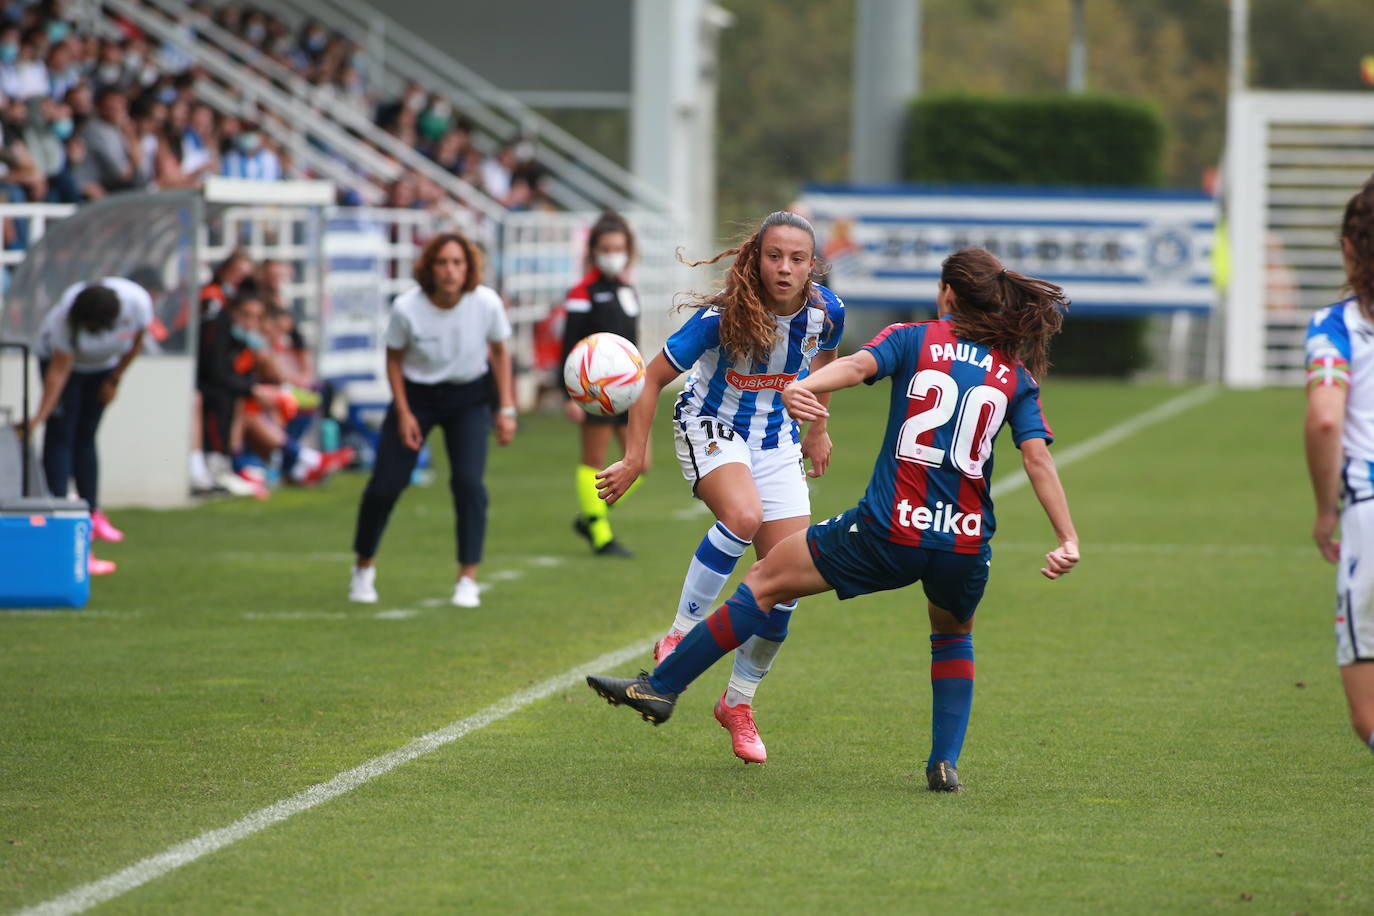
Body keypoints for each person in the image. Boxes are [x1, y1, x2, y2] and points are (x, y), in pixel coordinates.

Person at [588, 246, 1080, 792]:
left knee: (766, 579)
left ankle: (662, 686)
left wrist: (804, 387)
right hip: (964, 543)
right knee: (953, 635)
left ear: (947, 294)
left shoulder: (913, 337)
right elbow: (1037, 456)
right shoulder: (1015, 374)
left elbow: (852, 367)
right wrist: (1067, 536)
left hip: (889, 530)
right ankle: (944, 764)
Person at [595, 210, 844, 764]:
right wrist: (634, 457)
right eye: (774, 256)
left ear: (812, 266)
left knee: (787, 582)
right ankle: (680, 634)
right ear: (755, 258)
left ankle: (737, 702)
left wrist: (819, 428)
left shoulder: (828, 313)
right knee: (742, 514)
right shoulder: (723, 315)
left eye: (797, 259)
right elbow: (652, 378)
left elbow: (827, 364)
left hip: (776, 438)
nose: (784, 268)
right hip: (709, 425)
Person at [349, 231, 517, 607]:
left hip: (469, 397)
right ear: (429, 267)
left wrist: (505, 408)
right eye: (442, 262)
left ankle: (467, 579)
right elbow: (393, 358)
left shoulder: (486, 302)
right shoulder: (407, 307)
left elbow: (501, 353)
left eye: (457, 262)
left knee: (469, 484)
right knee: (384, 487)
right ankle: (363, 567)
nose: (450, 270)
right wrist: (405, 412)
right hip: (416, 397)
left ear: (469, 266)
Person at [1303, 177, 1374, 757]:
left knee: (1368, 713)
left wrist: (1326, 510)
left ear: (1349, 250)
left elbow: (1327, 420)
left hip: (1369, 515)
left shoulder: (1337, 326)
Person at [29, 277, 154, 575]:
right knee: (61, 436)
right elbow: (59, 371)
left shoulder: (137, 303)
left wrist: (114, 380)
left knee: (86, 437)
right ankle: (59, 513)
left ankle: (92, 513)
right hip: (65, 369)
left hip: (103, 370)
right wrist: (40, 417)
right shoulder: (63, 320)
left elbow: (136, 343)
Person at [562, 211, 642, 557]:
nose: (613, 253)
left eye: (618, 247)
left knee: (640, 464)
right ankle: (600, 536)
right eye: (606, 248)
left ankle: (591, 515)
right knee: (594, 460)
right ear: (593, 251)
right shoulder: (583, 292)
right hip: (594, 391)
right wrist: (569, 395)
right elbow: (569, 346)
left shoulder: (628, 289)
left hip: (628, 392)